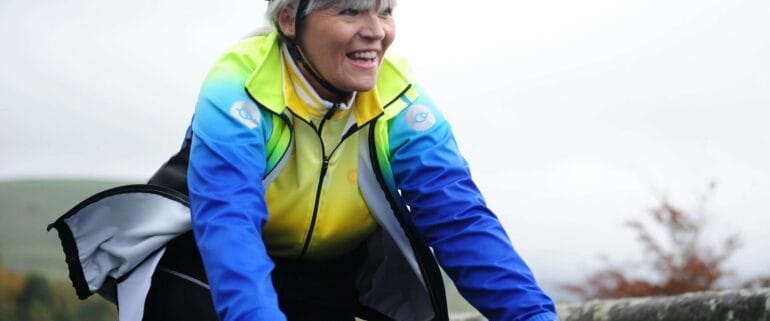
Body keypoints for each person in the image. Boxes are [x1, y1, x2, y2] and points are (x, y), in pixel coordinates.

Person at [48, 0, 559, 320]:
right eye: (350, 10)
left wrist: (534, 317)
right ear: (290, 18)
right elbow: (230, 222)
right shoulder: (239, 85)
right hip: (204, 263)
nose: (375, 30)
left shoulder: (401, 99)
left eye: (385, 9)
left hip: (325, 276)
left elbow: (458, 219)